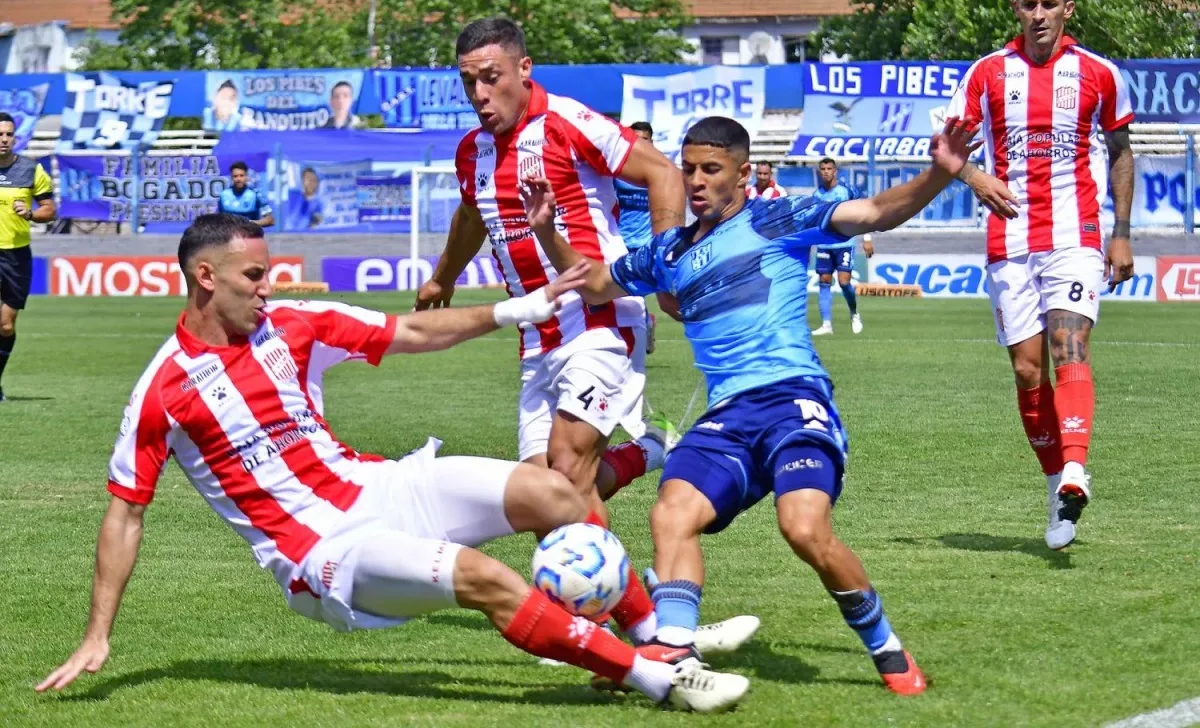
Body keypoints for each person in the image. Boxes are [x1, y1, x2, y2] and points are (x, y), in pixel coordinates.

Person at [34, 214, 749, 713]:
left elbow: (408, 329)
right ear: (204, 277)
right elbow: (125, 513)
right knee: (485, 577)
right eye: (253, 275)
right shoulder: (163, 389)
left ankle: (655, 637)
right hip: (323, 554)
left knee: (554, 493)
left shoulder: (293, 326)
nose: (267, 286)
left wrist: (514, 311)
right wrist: (98, 634)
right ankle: (654, 680)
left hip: (378, 486)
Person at [522, 115, 982, 695]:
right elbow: (593, 285)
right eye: (687, 168)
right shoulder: (669, 251)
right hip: (726, 419)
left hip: (793, 401)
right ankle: (675, 644)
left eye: (710, 169)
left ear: (742, 174)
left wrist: (941, 174)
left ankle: (886, 647)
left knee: (804, 530)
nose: (694, 181)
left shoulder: (778, 217)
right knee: (671, 512)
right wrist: (545, 231)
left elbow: (874, 213)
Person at [417, 17, 754, 658]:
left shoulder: (568, 121)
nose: (481, 94)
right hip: (536, 335)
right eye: (469, 84)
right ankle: (652, 601)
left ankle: (649, 635)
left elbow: (661, 171)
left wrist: (664, 266)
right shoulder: (473, 152)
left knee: (569, 472)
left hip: (599, 320)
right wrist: (442, 278)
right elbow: (471, 213)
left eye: (491, 78)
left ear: (523, 69)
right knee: (548, 495)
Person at [946, 0, 1135, 550]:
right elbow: (947, 149)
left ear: (1067, 10)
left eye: (1049, 4)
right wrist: (977, 178)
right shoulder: (986, 74)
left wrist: (1121, 231)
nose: (1039, 14)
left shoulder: (1099, 73)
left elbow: (1123, 151)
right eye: (1029, 4)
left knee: (1068, 346)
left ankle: (1076, 466)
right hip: (1009, 243)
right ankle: (1058, 487)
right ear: (1016, 9)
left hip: (1075, 237)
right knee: (1028, 370)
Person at [0, 111, 55, 402]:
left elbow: (50, 210)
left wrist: (31, 213)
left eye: (9, 134)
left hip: (16, 256)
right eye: (0, 134)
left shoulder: (31, 170)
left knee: (6, 325)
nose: (4, 139)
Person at [810, 158, 874, 336]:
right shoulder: (817, 195)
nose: (825, 172)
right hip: (824, 244)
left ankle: (854, 313)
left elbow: (862, 212)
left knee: (844, 282)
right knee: (824, 281)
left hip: (844, 242)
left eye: (829, 168)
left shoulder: (847, 191)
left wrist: (866, 238)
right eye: (822, 169)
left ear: (835, 171)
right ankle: (826, 324)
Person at [613, 121, 658, 352]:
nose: (640, 143)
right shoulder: (618, 171)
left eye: (645, 139)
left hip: (646, 244)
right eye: (635, 138)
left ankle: (640, 332)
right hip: (619, 241)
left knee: (635, 292)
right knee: (620, 295)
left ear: (652, 141)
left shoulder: (660, 170)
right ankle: (641, 329)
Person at [216, 161, 274, 228]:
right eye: (235, 176)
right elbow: (219, 219)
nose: (238, 179)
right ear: (231, 178)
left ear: (247, 177)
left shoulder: (256, 195)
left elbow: (270, 220)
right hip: (230, 236)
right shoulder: (224, 195)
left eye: (241, 176)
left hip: (250, 235)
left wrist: (250, 224)